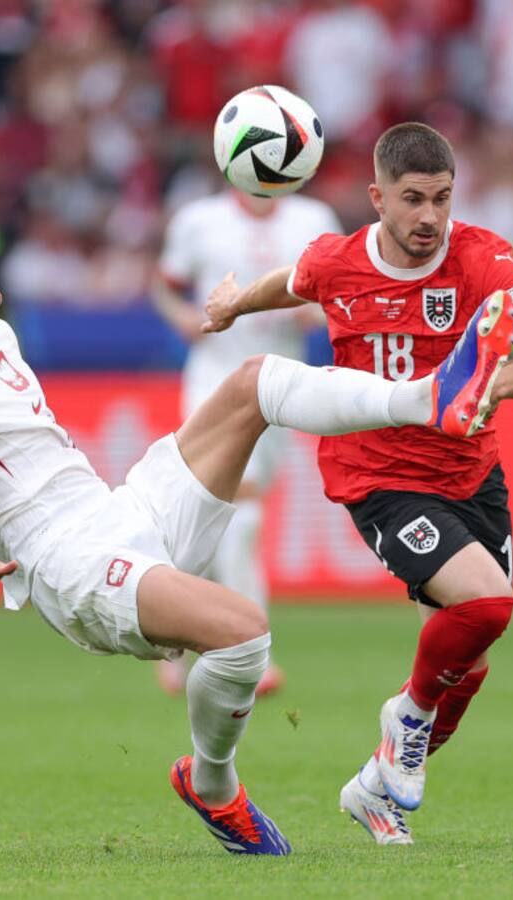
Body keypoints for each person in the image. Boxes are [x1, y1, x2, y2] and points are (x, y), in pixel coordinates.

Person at [0, 199, 513, 856]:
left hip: (119, 510)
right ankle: (212, 786)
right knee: (243, 633)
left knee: (254, 382)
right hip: (71, 564)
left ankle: (429, 398)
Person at [200, 123, 513, 845]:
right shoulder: (337, 261)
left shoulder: (480, 257)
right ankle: (403, 721)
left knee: (466, 669)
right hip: (377, 476)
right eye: (412, 199)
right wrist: (231, 306)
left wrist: (486, 390)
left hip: (470, 473)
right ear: (377, 197)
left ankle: (375, 786)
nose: (429, 217)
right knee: (486, 604)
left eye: (441, 198)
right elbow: (294, 282)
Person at [152, 187, 342, 697]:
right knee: (236, 508)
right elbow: (165, 286)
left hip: (279, 379)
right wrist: (183, 318)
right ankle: (250, 651)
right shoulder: (199, 218)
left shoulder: (314, 217)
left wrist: (315, 313)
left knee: (214, 520)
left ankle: (175, 641)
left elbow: (342, 294)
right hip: (213, 374)